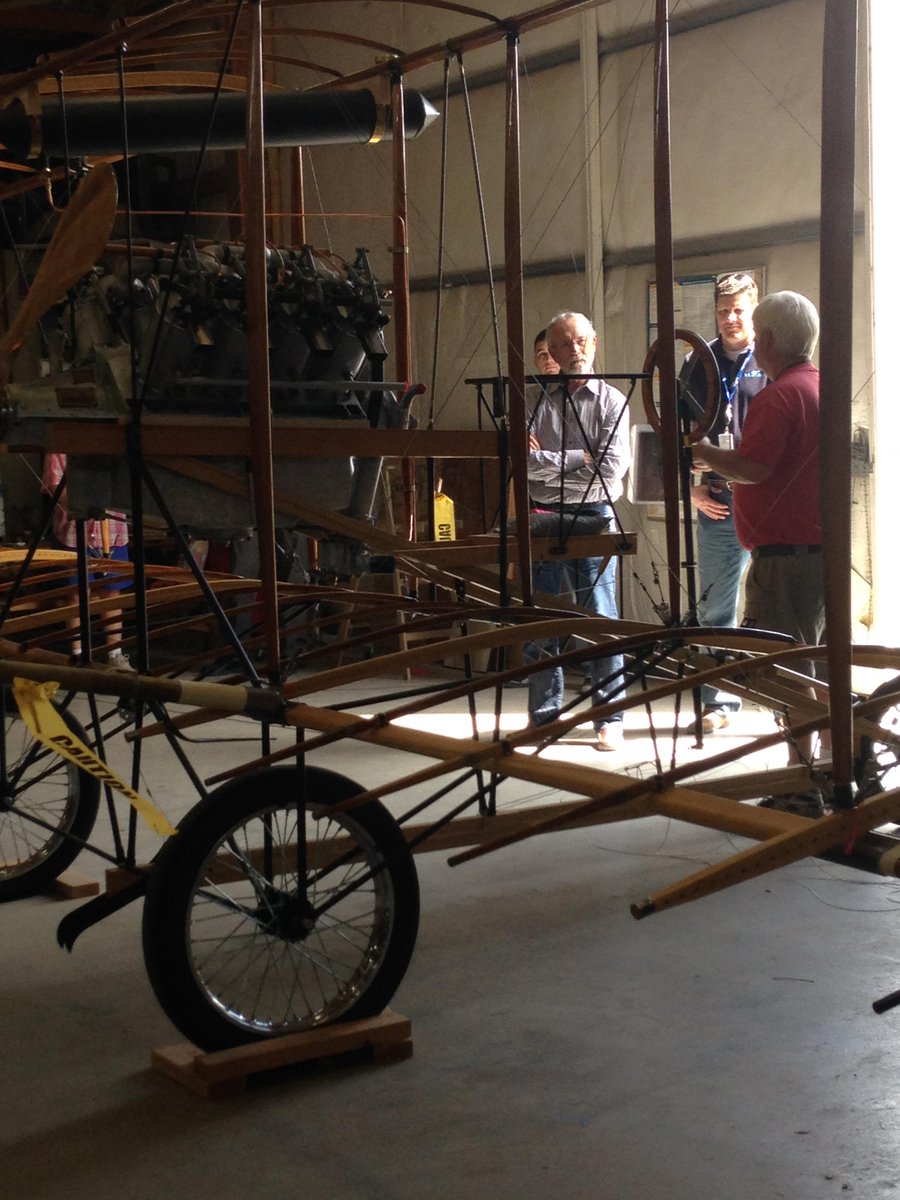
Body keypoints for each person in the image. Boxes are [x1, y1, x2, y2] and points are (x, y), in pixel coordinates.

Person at [691, 290, 824, 816]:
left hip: (785, 560)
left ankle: (801, 785)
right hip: (817, 554)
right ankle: (833, 771)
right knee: (817, 668)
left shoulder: (779, 395)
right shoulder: (819, 385)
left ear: (766, 338)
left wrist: (704, 454)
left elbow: (753, 467)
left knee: (787, 672)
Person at [524, 311, 631, 751]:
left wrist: (550, 462)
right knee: (541, 618)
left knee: (600, 617)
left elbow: (610, 470)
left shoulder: (613, 401)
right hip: (543, 513)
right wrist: (578, 458)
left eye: (581, 341)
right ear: (551, 351)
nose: (575, 351)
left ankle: (610, 718)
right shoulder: (536, 401)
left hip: (595, 515)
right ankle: (543, 716)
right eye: (564, 344)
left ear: (594, 342)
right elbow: (525, 466)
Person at [680, 272, 767, 732]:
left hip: (765, 503)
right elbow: (673, 433)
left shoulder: (771, 359)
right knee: (716, 606)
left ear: (754, 310)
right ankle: (718, 702)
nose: (730, 318)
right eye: (722, 310)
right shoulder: (697, 363)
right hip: (716, 502)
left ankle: (779, 694)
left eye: (738, 310)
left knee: (772, 603)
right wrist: (689, 489)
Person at [42, 452, 134, 670]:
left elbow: (126, 482)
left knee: (111, 592)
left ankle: (115, 654)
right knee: (76, 594)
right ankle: (79, 655)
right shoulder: (59, 449)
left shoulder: (111, 447)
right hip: (73, 532)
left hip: (112, 532)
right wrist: (86, 504)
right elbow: (54, 486)